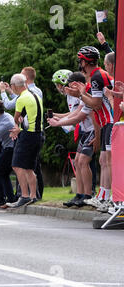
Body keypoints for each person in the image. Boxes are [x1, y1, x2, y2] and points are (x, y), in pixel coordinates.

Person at [67, 46, 114, 212]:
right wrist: (80, 94)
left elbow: (96, 104)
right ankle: (103, 196)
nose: (80, 65)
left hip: (110, 120)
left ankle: (108, 198)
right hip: (106, 122)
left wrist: (80, 95)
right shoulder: (97, 75)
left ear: (85, 62)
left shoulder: (96, 77)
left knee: (108, 161)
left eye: (81, 61)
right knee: (103, 161)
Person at [49, 70, 99, 207]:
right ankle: (80, 194)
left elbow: (79, 117)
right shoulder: (78, 95)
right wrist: (58, 117)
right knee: (77, 162)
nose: (66, 89)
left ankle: (88, 195)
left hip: (92, 130)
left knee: (83, 162)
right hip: (85, 130)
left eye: (69, 86)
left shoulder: (86, 93)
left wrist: (58, 122)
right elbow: (76, 113)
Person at [8, 73, 44, 208]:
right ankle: (33, 195)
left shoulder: (21, 98)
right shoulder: (34, 95)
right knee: (29, 167)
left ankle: (24, 195)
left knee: (17, 165)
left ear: (14, 86)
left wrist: (18, 127)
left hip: (28, 136)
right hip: (38, 134)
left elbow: (16, 118)